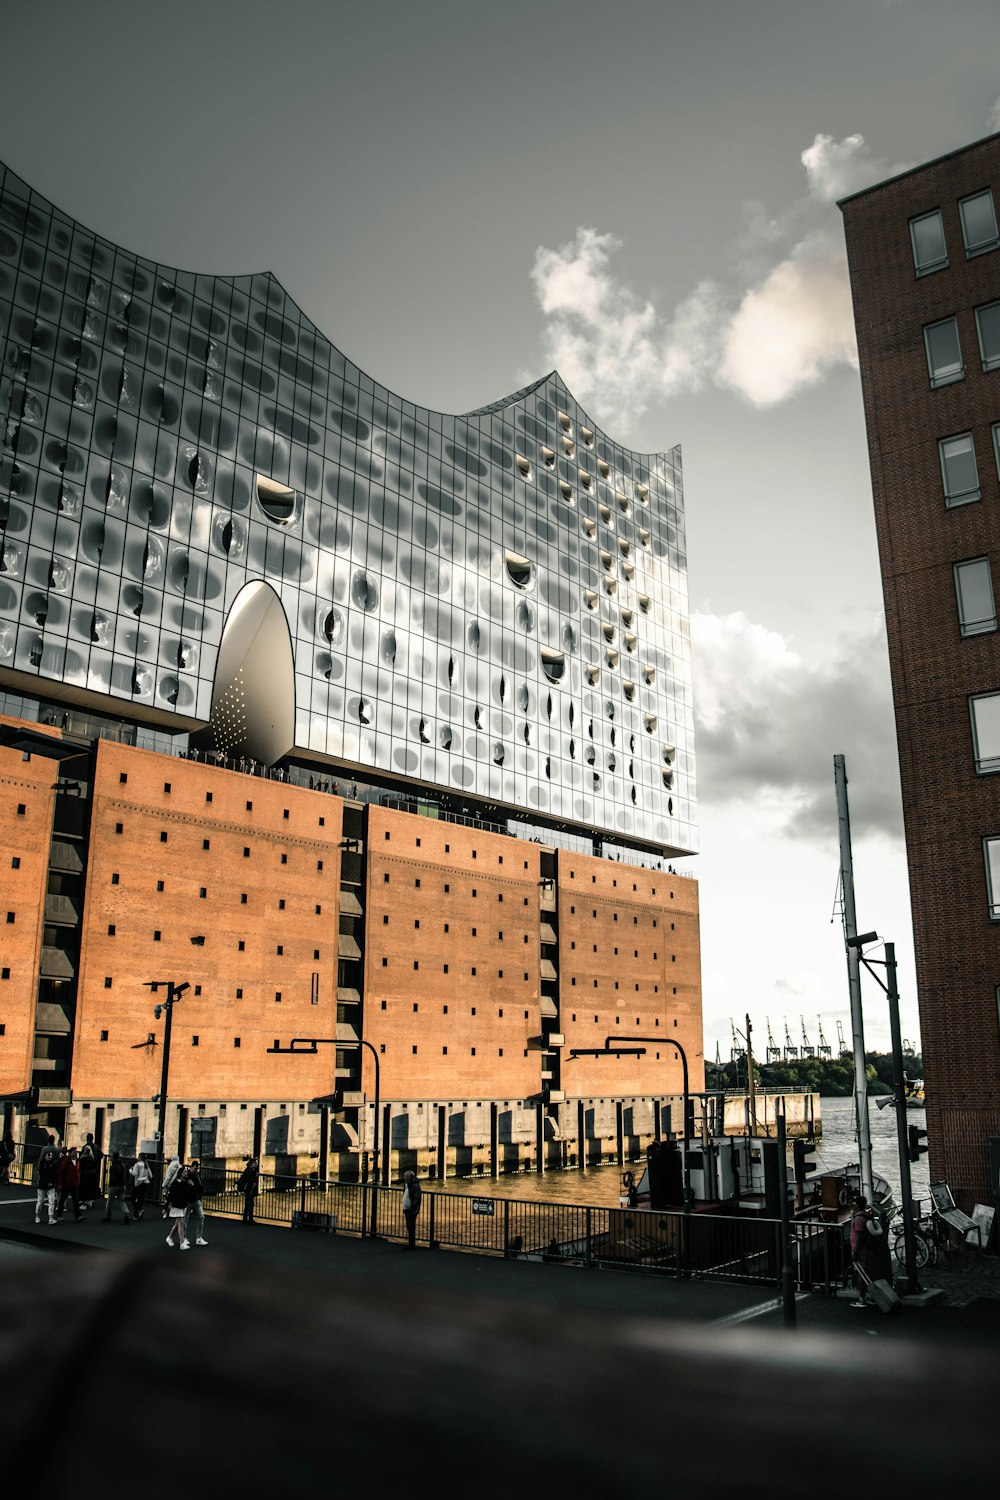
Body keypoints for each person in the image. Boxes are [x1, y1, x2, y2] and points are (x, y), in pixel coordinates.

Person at [849, 1193, 883, 1307]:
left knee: (861, 1275)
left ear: (857, 1205)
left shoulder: (858, 1219)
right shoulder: (867, 1216)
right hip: (869, 1248)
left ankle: (861, 1299)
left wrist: (855, 1251)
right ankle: (873, 1297)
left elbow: (859, 1235)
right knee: (870, 1273)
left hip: (861, 1250)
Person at [165, 1165, 194, 1248]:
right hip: (176, 1205)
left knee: (178, 1224)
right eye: (185, 1172)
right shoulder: (175, 1183)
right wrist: (165, 1207)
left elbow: (186, 1193)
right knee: (181, 1223)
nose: (187, 1173)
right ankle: (182, 1242)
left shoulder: (184, 1183)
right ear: (180, 1174)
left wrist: (190, 1186)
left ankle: (170, 1237)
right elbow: (170, 1196)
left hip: (182, 1205)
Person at [184, 1159, 208, 1246]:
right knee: (185, 1219)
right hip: (188, 1200)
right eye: (195, 1168)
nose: (196, 1170)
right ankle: (183, 1237)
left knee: (201, 1217)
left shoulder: (197, 1175)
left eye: (197, 1169)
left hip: (196, 1199)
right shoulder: (187, 1176)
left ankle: (199, 1238)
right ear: (191, 1167)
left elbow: (200, 1186)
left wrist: (200, 1196)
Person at [56, 1146, 84, 1221]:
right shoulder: (66, 1162)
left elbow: (78, 1172)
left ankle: (78, 1216)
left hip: (74, 1183)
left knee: (76, 1200)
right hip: (66, 1183)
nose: (76, 1153)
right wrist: (60, 1183)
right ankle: (59, 1215)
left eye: (76, 1152)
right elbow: (61, 1173)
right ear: (70, 1153)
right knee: (62, 1200)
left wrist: (78, 1180)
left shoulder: (77, 1161)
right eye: (74, 1152)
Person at [103, 1151, 132, 1223]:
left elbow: (113, 1177)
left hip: (114, 1186)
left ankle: (108, 1216)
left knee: (110, 1201)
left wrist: (111, 1184)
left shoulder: (113, 1166)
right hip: (122, 1185)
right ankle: (126, 1215)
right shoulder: (123, 1165)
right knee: (122, 1201)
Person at [34, 1145, 59, 1225]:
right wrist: (48, 1182)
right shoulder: (42, 1164)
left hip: (50, 1185)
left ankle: (51, 1217)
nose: (50, 1157)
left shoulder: (53, 1164)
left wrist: (54, 1183)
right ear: (45, 1156)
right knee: (40, 1201)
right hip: (42, 1185)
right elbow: (41, 1175)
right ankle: (37, 1216)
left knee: (51, 1201)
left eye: (51, 1155)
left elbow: (55, 1174)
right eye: (48, 1155)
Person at [401, 1169, 422, 1250]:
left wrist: (413, 1208)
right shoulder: (407, 1185)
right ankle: (410, 1244)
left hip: (411, 1209)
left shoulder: (415, 1186)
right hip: (407, 1208)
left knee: (411, 1226)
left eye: (406, 1176)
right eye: (405, 1176)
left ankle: (411, 1245)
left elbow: (416, 1198)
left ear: (410, 1177)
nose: (405, 1177)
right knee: (409, 1226)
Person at [130, 1153, 152, 1221]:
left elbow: (135, 1173)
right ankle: (137, 1214)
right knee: (140, 1199)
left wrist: (130, 1170)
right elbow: (151, 1175)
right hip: (145, 1183)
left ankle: (138, 1211)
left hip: (138, 1183)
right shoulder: (146, 1165)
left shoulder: (137, 1164)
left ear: (140, 1157)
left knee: (133, 1199)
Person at [236, 1157, 259, 1224]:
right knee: (250, 1204)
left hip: (247, 1189)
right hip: (249, 1189)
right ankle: (250, 1219)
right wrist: (256, 1176)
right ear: (252, 1163)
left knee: (247, 1203)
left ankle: (245, 1218)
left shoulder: (248, 1169)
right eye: (255, 1163)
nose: (256, 1164)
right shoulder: (251, 1171)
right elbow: (250, 1180)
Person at [78, 1144, 100, 1209]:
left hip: (84, 1175)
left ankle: (84, 1203)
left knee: (83, 1189)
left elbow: (80, 1168)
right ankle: (90, 1202)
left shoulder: (82, 1158)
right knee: (90, 1189)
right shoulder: (92, 1158)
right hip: (92, 1175)